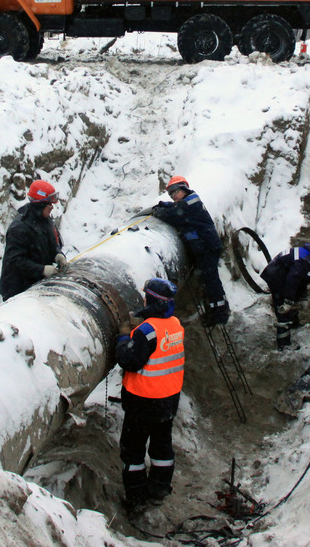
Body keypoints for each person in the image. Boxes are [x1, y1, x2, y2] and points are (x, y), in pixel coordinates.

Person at [116, 278, 185, 513]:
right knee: (162, 446)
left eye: (146, 297)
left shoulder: (146, 332)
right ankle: (160, 488)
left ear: (152, 301)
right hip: (168, 401)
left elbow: (129, 361)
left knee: (133, 450)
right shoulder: (175, 324)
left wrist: (125, 337)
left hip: (142, 402)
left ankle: (135, 497)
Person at [151, 175, 228, 325]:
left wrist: (159, 211)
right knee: (208, 280)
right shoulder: (188, 201)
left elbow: (173, 214)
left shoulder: (189, 203)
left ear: (184, 188)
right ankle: (214, 309)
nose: (173, 196)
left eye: (175, 192)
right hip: (204, 247)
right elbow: (175, 208)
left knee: (211, 280)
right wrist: (164, 205)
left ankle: (220, 313)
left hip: (207, 247)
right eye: (170, 194)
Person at [260, 244, 310, 350]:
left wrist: (303, 298)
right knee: (283, 310)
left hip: (284, 274)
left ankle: (293, 325)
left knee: (292, 299)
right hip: (276, 275)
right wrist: (288, 301)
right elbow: (292, 281)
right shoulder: (305, 261)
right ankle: (284, 345)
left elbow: (302, 280)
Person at [0, 179, 67, 300]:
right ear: (40, 205)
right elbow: (15, 261)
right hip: (17, 291)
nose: (52, 207)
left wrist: (57, 254)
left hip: (35, 284)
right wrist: (42, 270)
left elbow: (51, 243)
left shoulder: (45, 221)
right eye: (49, 204)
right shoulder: (19, 229)